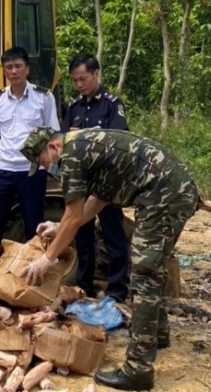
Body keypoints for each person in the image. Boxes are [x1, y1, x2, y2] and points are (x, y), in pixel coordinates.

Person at [20, 127, 199, 391]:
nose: (47, 169)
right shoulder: (84, 146)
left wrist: (47, 259)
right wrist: (60, 228)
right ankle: (156, 334)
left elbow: (73, 216)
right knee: (153, 267)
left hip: (163, 195)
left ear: (53, 148)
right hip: (172, 189)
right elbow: (98, 200)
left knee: (144, 273)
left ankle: (138, 370)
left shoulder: (72, 157)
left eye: (44, 163)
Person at [0, 47, 60, 279]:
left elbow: (54, 134)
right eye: (9, 67)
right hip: (3, 169)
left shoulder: (44, 97)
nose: (14, 71)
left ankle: (34, 277)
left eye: (18, 66)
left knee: (34, 226)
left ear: (27, 69)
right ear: (4, 71)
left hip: (31, 171)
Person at [60, 53, 130, 302]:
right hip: (82, 179)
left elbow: (120, 138)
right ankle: (85, 286)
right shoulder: (74, 106)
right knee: (81, 233)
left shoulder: (111, 104)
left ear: (96, 74)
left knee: (113, 234)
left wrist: (88, 134)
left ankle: (118, 289)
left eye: (83, 79)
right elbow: (65, 140)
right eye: (75, 80)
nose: (80, 85)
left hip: (107, 180)